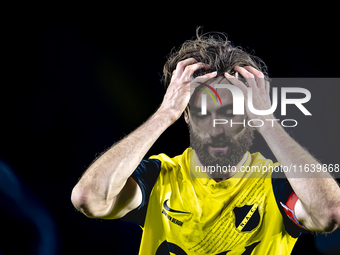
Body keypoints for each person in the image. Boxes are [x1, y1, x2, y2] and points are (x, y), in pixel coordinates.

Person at [71, 30, 340, 254]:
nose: (216, 129)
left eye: (229, 114)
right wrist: (163, 115)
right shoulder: (160, 178)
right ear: (186, 115)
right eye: (202, 113)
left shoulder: (275, 184)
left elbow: (330, 212)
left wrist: (268, 123)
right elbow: (88, 198)